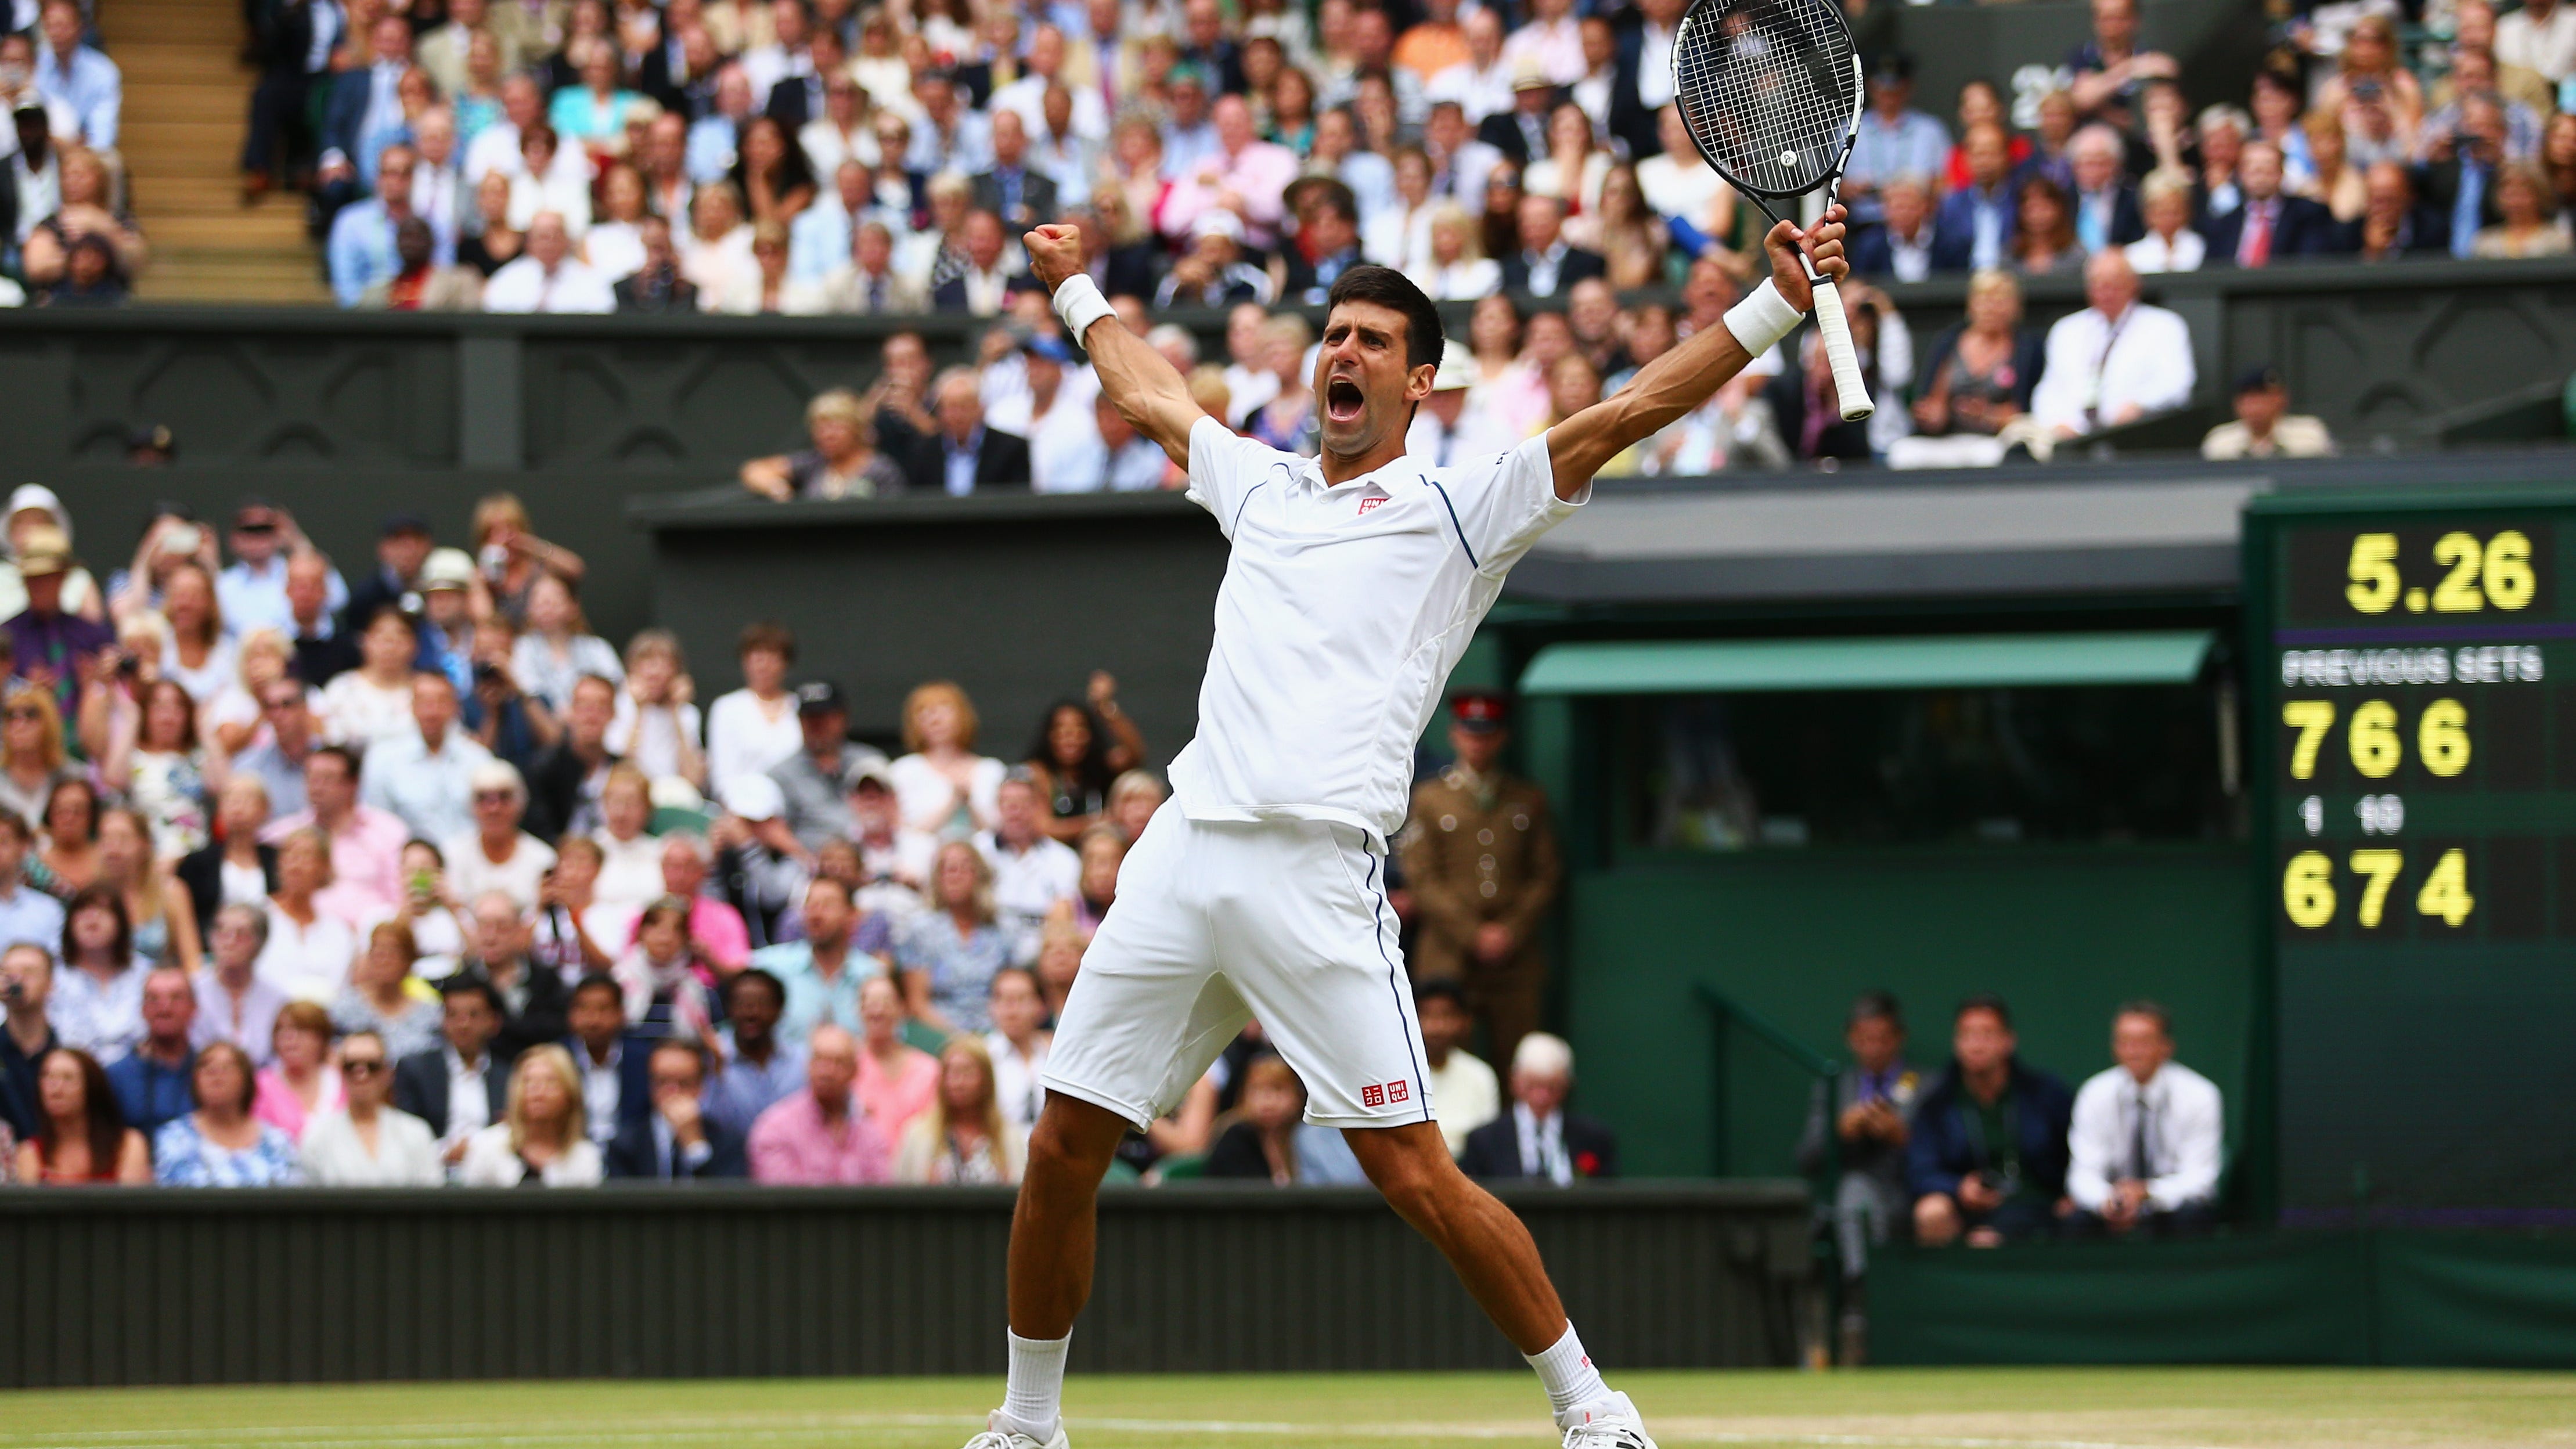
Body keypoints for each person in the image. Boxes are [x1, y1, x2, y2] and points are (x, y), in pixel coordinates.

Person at [962, 204, 1850, 1448]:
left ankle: (1593, 1412)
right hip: (1183, 851)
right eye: (1332, 335)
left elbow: (1630, 409)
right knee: (1062, 1145)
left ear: (1418, 380)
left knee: (1416, 1175)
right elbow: (1151, 392)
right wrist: (1070, 289)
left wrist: (1771, 308)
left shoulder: (1461, 509)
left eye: (1373, 341)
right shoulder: (1259, 484)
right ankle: (1028, 1425)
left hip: (1316, 878)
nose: (1343, 353)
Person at [1402, 694, 1560, 1070]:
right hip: (1447, 950)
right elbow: (1420, 875)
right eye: (1470, 733)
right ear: (1456, 735)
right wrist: (1473, 933)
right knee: (1444, 1058)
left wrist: (1509, 930)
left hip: (1514, 956)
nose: (1478, 742)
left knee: (1518, 1057)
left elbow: (1545, 872)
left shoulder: (1525, 798)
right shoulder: (1430, 798)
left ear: (1501, 737)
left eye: (1487, 734)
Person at [1907, 994, 2074, 1248]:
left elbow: (2080, 1150)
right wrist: (1959, 1188)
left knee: (1989, 1240)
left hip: (2035, 1204)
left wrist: (2072, 1193)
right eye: (1967, 1035)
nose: (1976, 1045)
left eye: (1987, 1034)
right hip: (1967, 1208)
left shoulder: (2045, 1094)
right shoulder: (1937, 1105)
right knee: (1931, 1211)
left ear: (2008, 1041)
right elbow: (1920, 1170)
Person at [2066, 1001, 2222, 1238]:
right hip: (2114, 1204)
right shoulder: (2094, 1093)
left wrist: (2148, 1193)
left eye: (2144, 1042)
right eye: (2125, 1041)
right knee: (2076, 1222)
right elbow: (2082, 1174)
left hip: (2171, 1207)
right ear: (2114, 1048)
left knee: (2193, 1218)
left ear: (2166, 1047)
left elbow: (2201, 1179)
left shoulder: (2200, 1095)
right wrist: (2109, 1201)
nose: (2133, 1051)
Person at [1796, 992, 1921, 1282]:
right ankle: (1862, 1290)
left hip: (1912, 1188)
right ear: (1850, 1038)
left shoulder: (1927, 1084)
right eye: (1865, 1038)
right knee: (1854, 1193)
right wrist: (1839, 1132)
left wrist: (1901, 1135)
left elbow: (1945, 1151)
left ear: (1899, 1037)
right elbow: (1806, 1159)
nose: (1874, 1048)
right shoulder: (1834, 1087)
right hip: (1855, 1191)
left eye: (1883, 1038)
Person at [2029, 250, 2195, 440]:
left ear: (2134, 285)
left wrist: (2139, 405)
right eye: (2098, 285)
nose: (2106, 292)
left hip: (2136, 434)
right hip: (2072, 439)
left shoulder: (2164, 326)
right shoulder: (2066, 330)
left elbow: (2177, 384)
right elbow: (2049, 389)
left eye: (2114, 284)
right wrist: (2058, 422)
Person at [1457, 1033, 1617, 1184]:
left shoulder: (1593, 1138)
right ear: (1515, 1081)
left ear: (1567, 1085)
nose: (1542, 1097)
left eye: (1552, 1087)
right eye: (1532, 1086)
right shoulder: (1484, 1141)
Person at [747, 1022, 893, 1183]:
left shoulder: (869, 1132)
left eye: (838, 1062)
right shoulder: (775, 1128)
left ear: (855, 1071)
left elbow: (881, 1196)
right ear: (807, 1066)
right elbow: (784, 1200)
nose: (827, 1072)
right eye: (819, 1060)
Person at [394, 976, 513, 1170]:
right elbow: (405, 1136)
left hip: (492, 1175)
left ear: (494, 1022)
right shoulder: (415, 1070)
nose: (463, 1024)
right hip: (432, 1174)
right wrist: (446, 1152)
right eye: (453, 1015)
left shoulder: (508, 1075)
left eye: (473, 1015)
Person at [299, 1028, 445, 1185]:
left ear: (388, 1073)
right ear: (340, 1072)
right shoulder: (317, 1135)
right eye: (351, 1066)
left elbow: (432, 1201)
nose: (361, 1075)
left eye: (372, 1066)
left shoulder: (416, 1133)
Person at [898, 841, 1014, 1037]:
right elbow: (918, 1004)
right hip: (938, 1031)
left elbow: (1011, 989)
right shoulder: (920, 930)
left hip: (996, 1029)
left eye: (964, 868)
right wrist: (961, 1039)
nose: (955, 875)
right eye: (947, 869)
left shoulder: (1001, 929)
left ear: (979, 876)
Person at [154, 1041, 304, 1186]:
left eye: (228, 1067)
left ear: (246, 1080)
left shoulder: (277, 1142)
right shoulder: (174, 1139)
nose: (215, 1073)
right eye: (206, 1066)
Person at [459, 1042, 604, 1185]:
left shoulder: (586, 1156)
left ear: (570, 1093)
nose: (538, 1092)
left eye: (551, 1082)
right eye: (529, 1082)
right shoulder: (486, 1146)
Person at [606, 1036, 748, 1178]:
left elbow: (726, 1199)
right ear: (650, 1084)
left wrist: (696, 1148)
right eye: (662, 1082)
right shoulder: (624, 1146)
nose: (673, 1092)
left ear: (701, 1086)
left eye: (684, 1083)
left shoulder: (728, 1144)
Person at [895, 1035, 1028, 1184]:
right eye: (951, 1073)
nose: (958, 1082)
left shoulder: (1009, 1137)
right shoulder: (918, 1135)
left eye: (967, 1073)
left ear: (986, 1081)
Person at [740, 388, 907, 501]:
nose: (828, 435)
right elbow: (755, 470)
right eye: (820, 428)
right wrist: (778, 489)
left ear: (856, 429)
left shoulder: (882, 470)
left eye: (836, 427)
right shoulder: (813, 463)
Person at [15, 1045, 150, 1183]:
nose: (56, 1088)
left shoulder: (128, 1145)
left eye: (68, 1078)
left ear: (91, 1088)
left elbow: (129, 1203)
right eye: (47, 1077)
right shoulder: (30, 1153)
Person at [706, 621, 801, 810]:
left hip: (795, 812)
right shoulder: (727, 708)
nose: (764, 665)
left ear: (786, 663)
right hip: (743, 812)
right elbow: (722, 779)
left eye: (772, 656)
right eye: (756, 656)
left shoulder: (800, 706)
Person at [255, 830, 357, 1001]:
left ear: (324, 868)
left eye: (306, 856)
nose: (296, 865)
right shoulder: (257, 916)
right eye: (290, 855)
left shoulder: (338, 931)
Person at [445, 760, 557, 911]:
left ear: (521, 803)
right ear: (471, 806)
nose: (494, 809)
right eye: (483, 798)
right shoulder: (452, 855)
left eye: (504, 797)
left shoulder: (543, 859)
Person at [50, 884, 142, 1062]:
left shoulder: (145, 974)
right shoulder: (52, 975)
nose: (92, 917)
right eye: (83, 910)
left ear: (121, 922)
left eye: (104, 910)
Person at [104, 965, 197, 1138]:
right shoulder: (116, 1077)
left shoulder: (208, 1071)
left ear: (194, 1008)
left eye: (176, 998)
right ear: (142, 1009)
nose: (165, 1008)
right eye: (153, 999)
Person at [707, 967, 802, 1137]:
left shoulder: (802, 1061)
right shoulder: (710, 1056)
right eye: (741, 1003)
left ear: (780, 1009)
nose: (751, 1013)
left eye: (762, 1003)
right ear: (729, 1008)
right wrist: (717, 1073)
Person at [332, 920, 445, 1061]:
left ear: (409, 961)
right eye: (379, 953)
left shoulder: (430, 1014)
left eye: (393, 953)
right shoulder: (346, 1008)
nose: (384, 961)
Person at [181, 776, 281, 933]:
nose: (238, 807)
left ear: (265, 810)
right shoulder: (198, 863)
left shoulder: (277, 860)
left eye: (247, 800)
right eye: (231, 800)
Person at [1413, 980, 1499, 1159]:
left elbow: (1489, 1144)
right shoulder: (1401, 1074)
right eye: (1427, 1015)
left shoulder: (1481, 1075)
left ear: (1464, 1022)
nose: (1437, 1026)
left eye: (1446, 1015)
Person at [194, 904, 288, 1067]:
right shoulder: (192, 991)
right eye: (222, 932)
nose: (229, 942)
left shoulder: (278, 1000)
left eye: (241, 935)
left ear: (260, 944)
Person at [563, 974, 650, 1147]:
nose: (593, 1020)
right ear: (571, 1015)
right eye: (584, 1009)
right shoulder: (558, 1058)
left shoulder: (644, 1060)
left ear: (621, 1014)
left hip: (630, 1160)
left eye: (603, 1009)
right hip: (571, 1155)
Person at [251, 1000, 343, 1142]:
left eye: (300, 1030)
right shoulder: (258, 1085)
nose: (289, 1038)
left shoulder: (343, 1081)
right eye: (281, 1030)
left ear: (321, 1038)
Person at [2202, 365, 2334, 461]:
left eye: (2264, 398)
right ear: (2237, 404)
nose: (2256, 407)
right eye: (2250, 400)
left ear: (2282, 400)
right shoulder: (2220, 441)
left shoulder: (2309, 435)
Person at [0, 943, 60, 1142]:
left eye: (29, 972)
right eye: (6, 972)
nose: (16, 979)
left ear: (50, 984)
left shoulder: (67, 1050)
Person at [985, 966, 1051, 1134]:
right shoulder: (983, 1057)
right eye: (1003, 999)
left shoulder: (1054, 1055)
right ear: (991, 1007)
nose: (1011, 1010)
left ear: (1040, 1006)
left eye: (1021, 999)